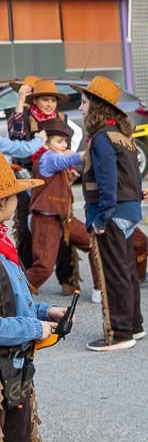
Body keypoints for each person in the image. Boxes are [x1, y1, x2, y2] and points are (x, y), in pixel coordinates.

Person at [0, 158, 89, 442]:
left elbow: (15, 304)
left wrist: (44, 314)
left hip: (10, 378)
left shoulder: (4, 247)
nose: (18, 203)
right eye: (13, 195)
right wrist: (33, 330)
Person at [72, 76, 145, 352]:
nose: (80, 109)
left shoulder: (102, 138)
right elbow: (133, 175)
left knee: (113, 273)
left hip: (111, 214)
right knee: (126, 270)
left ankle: (119, 332)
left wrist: (101, 218)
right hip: (128, 210)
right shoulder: (121, 134)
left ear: (97, 108)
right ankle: (134, 325)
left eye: (84, 102)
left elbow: (107, 182)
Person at [8, 78, 76, 289]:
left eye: (52, 100)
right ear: (34, 100)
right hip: (28, 178)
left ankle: (67, 278)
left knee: (64, 225)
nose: (49, 104)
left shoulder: (62, 118)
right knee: (29, 231)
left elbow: (69, 145)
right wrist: (20, 102)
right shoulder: (24, 117)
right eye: (44, 99)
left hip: (56, 178)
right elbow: (16, 139)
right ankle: (26, 280)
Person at [25, 119, 99, 294]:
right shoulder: (47, 157)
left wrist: (69, 180)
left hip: (63, 218)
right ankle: (10, 292)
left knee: (94, 243)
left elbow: (55, 182)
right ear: (46, 142)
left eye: (65, 141)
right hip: (44, 218)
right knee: (43, 267)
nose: (64, 144)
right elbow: (60, 160)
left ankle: (100, 289)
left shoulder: (55, 159)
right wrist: (83, 155)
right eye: (59, 141)